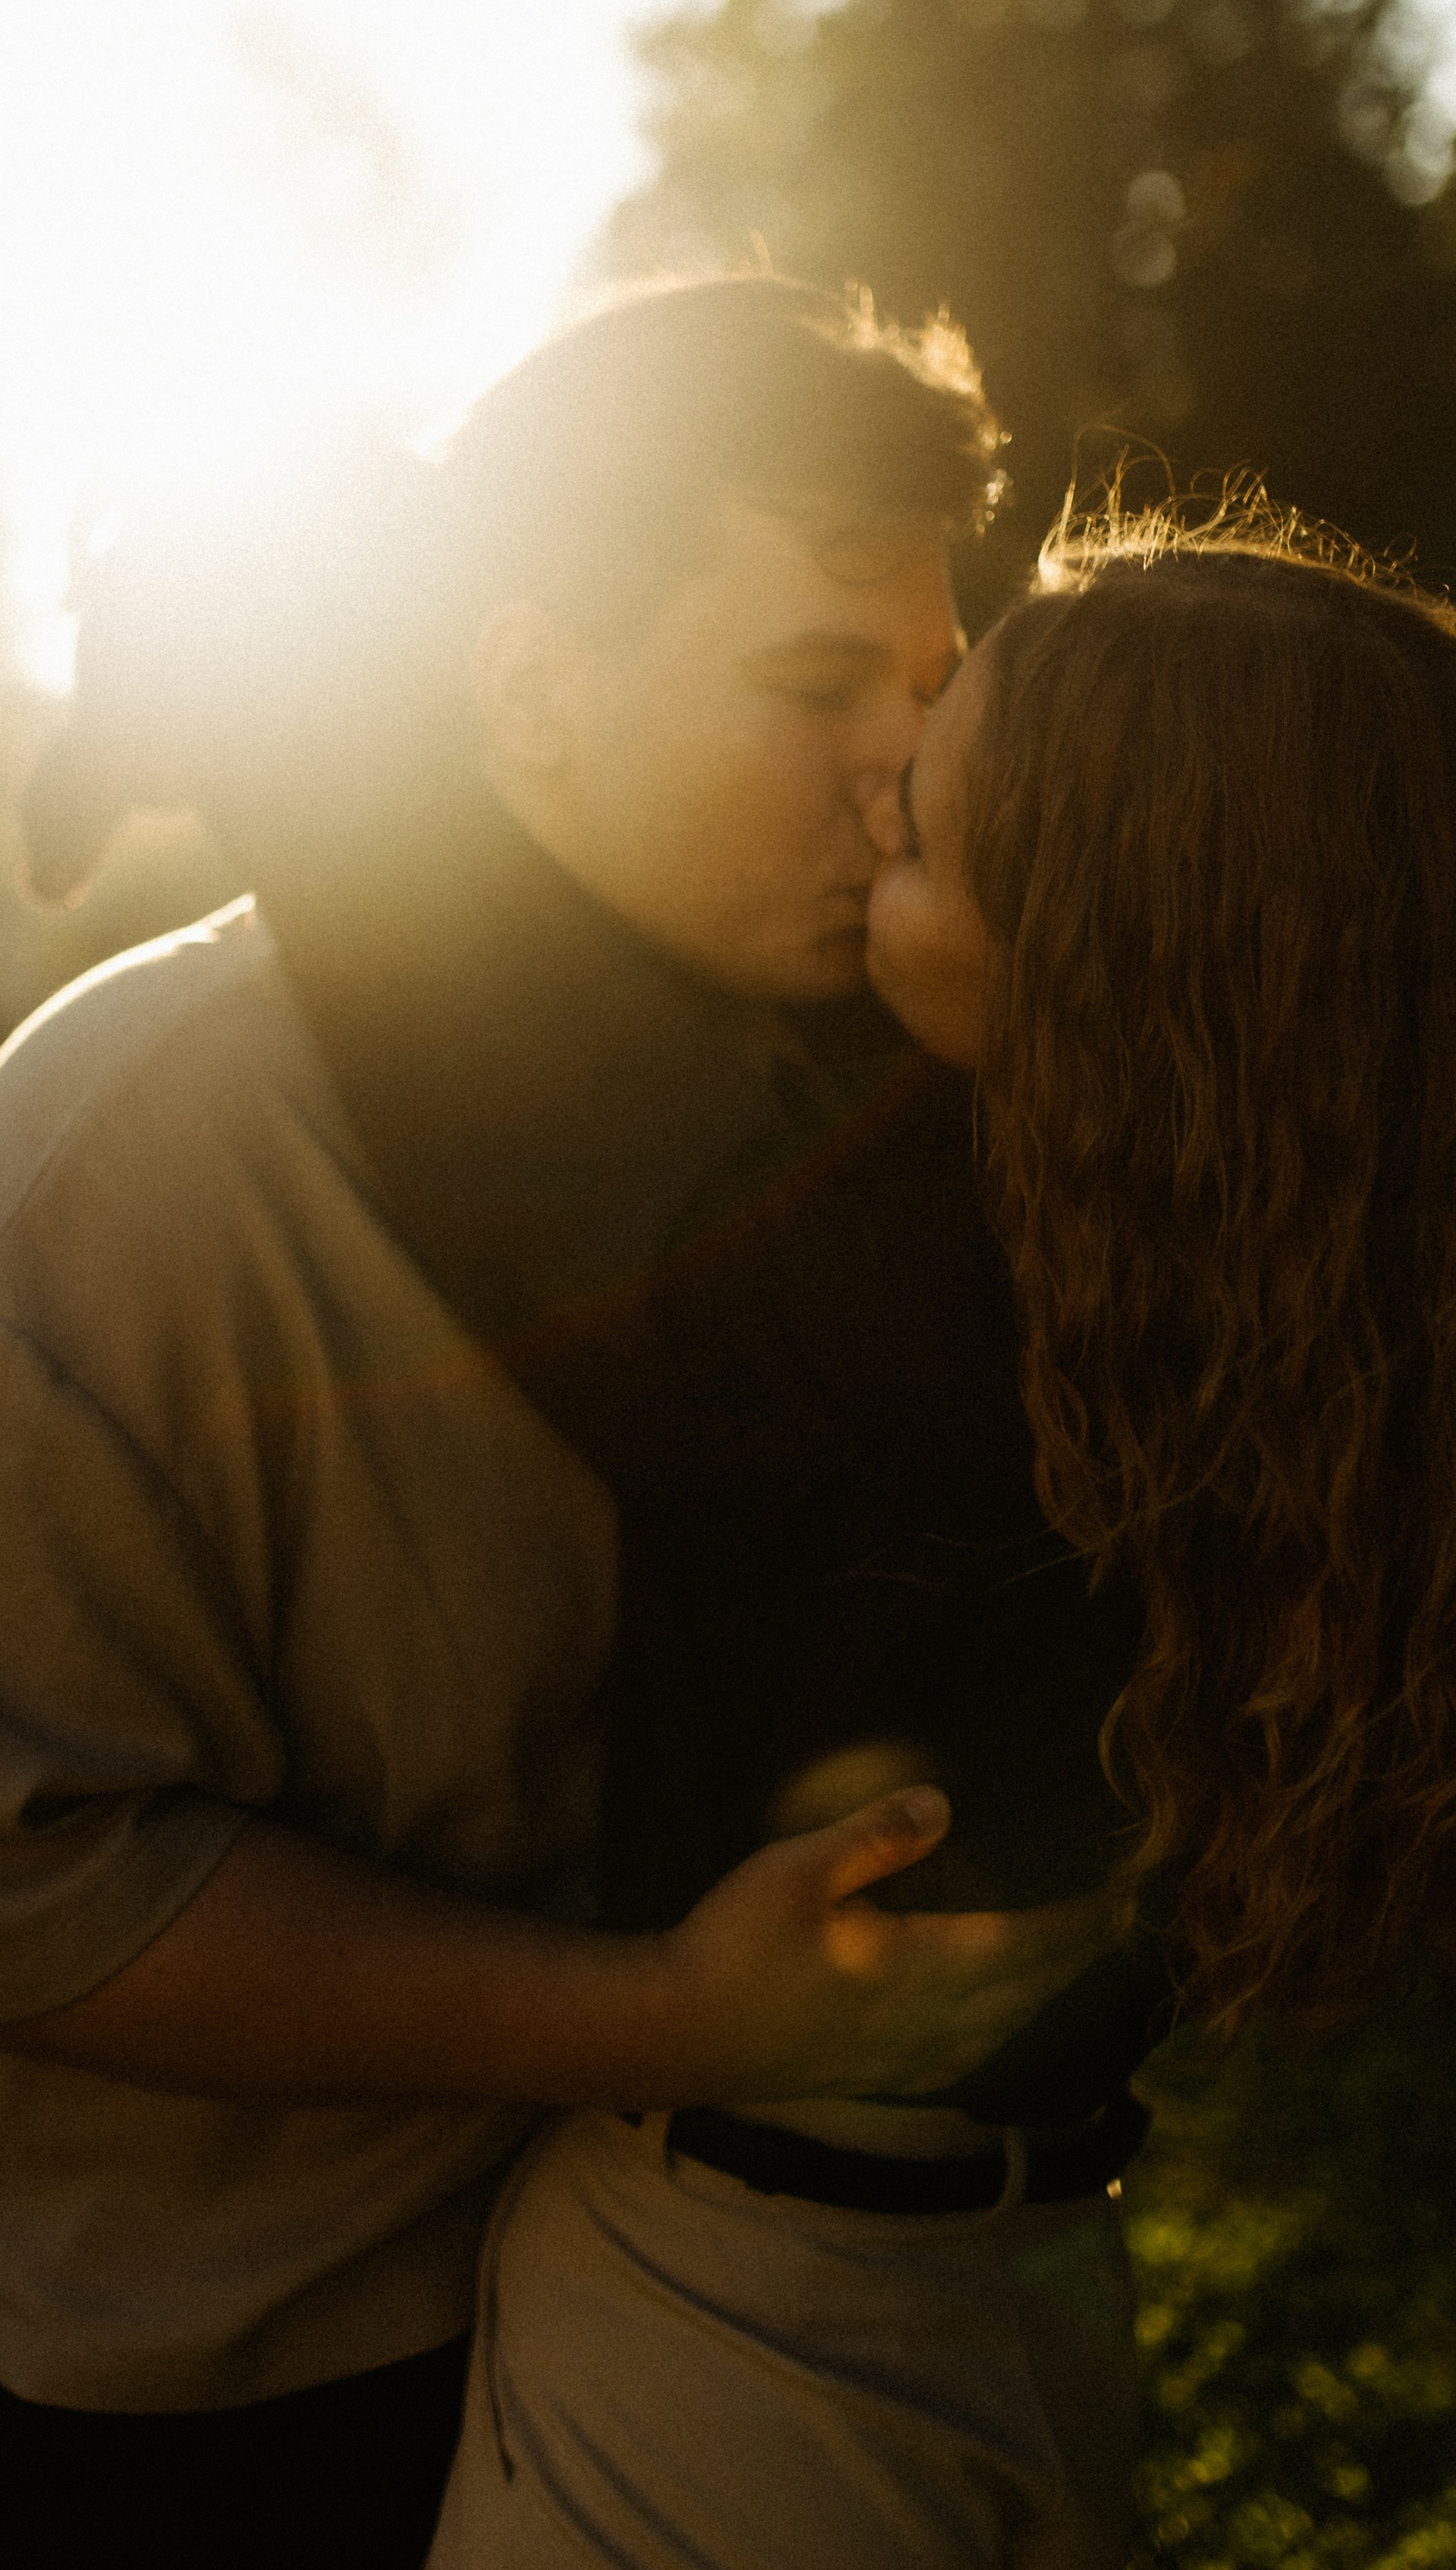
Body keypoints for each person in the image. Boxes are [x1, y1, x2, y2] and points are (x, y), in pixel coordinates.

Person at [0, 276, 1115, 2570]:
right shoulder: (119, 1168)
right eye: (810, 682)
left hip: (683, 2292)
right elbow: (2, 1895)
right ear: (524, 681)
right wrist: (653, 2024)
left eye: (924, 692)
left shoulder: (871, 1092)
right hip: (234, 2361)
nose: (898, 771)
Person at [424, 503, 1456, 2570]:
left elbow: (447, 1033)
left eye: (915, 843)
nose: (863, 796)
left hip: (733, 2344)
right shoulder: (1318, 1323)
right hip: (1042, 2294)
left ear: (1093, 984)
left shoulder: (902, 1339)